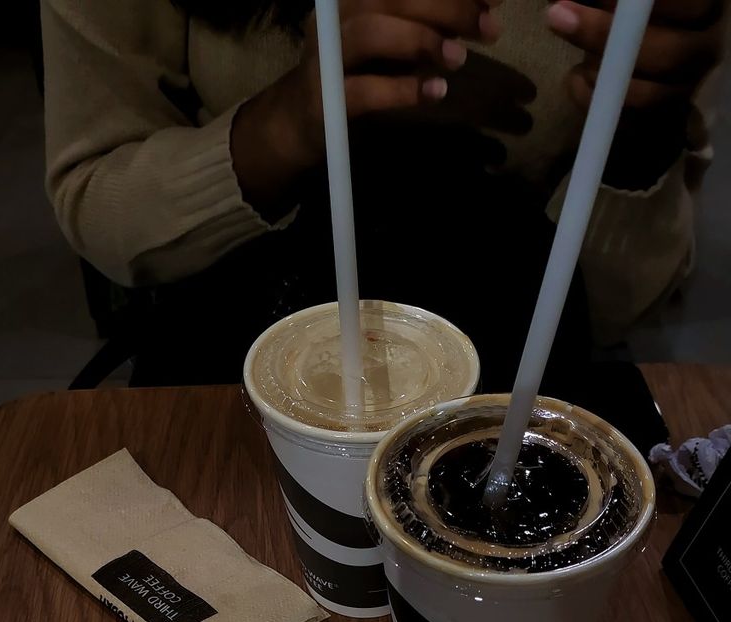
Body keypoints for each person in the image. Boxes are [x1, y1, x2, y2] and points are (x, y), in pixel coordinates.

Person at [41, 1, 726, 384]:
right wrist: (292, 122)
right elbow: (97, 194)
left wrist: (641, 129)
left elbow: (617, 303)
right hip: (221, 362)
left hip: (531, 364)